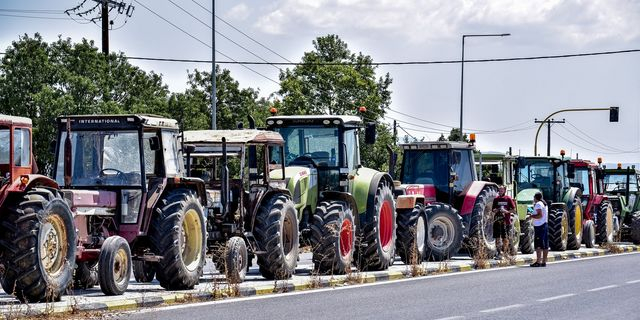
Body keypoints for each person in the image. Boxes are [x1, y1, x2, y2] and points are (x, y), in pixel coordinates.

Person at [492, 185, 515, 259]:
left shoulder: (508, 198)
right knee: (497, 238)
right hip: (497, 221)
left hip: (506, 221)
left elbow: (514, 210)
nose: (500, 191)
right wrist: (497, 210)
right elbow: (493, 210)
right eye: (499, 190)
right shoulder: (496, 199)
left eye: (502, 190)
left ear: (505, 190)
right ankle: (498, 253)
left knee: (505, 238)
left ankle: (505, 252)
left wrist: (507, 211)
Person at [530, 192, 549, 267]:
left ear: (536, 197)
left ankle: (538, 261)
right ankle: (544, 261)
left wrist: (531, 216)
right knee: (545, 245)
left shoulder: (538, 204)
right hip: (544, 224)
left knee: (538, 245)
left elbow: (540, 215)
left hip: (539, 226)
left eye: (534, 197)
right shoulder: (544, 203)